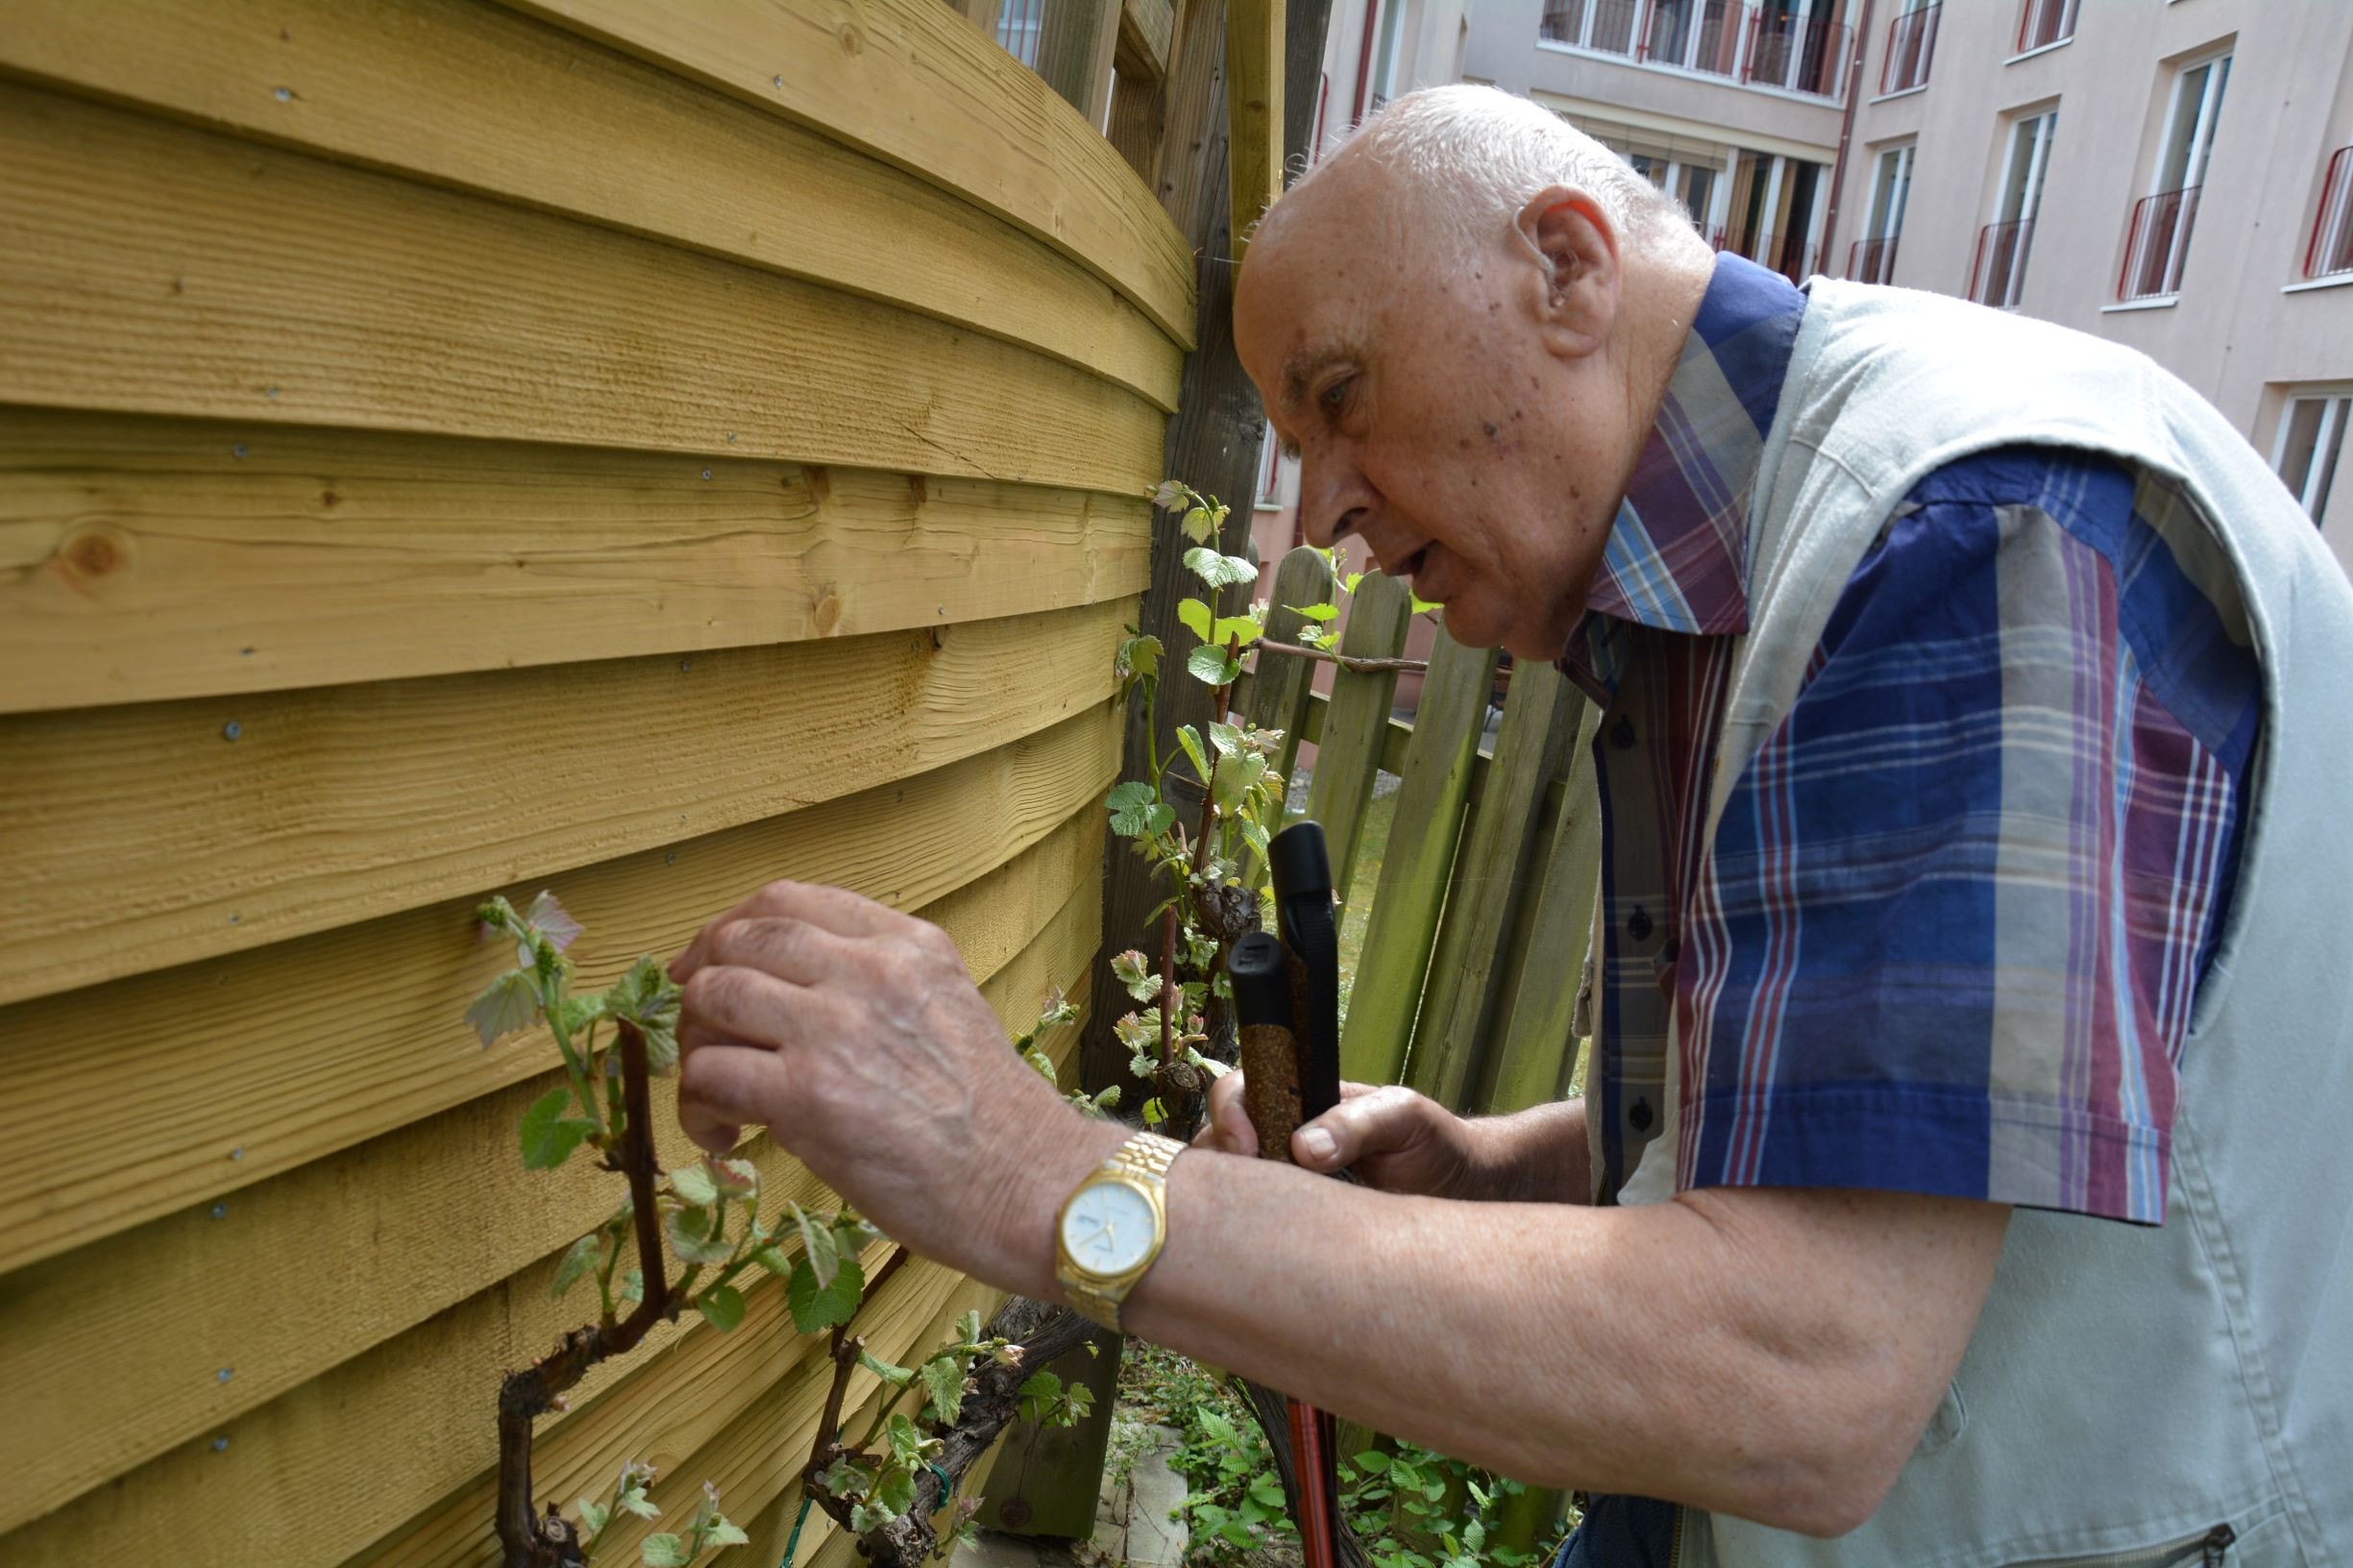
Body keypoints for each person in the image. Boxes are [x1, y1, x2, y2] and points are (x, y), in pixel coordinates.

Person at [668, 86, 2352, 1564]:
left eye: (1337, 392)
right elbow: (1918, 1110)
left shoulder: (1966, 540)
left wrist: (1029, 1169)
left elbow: (1808, 1375)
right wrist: (1515, 1170)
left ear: (1563, 266)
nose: (1318, 512)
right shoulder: (1752, 564)